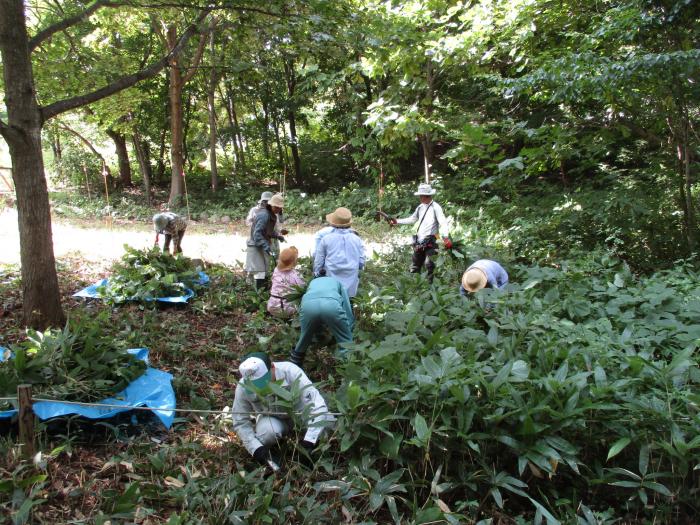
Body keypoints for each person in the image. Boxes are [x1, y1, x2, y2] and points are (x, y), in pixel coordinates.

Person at [232, 352, 333, 470]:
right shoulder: (243, 387)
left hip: (301, 416)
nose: (261, 387)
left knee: (328, 423)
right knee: (266, 433)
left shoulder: (291, 372)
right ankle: (273, 454)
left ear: (273, 367)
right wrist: (256, 450)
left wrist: (309, 442)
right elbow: (240, 421)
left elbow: (318, 405)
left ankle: (311, 447)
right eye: (255, 384)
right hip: (273, 420)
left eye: (263, 380)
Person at [390, 183, 451, 281]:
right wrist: (397, 221)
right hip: (419, 240)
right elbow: (413, 219)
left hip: (432, 240)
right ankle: (415, 286)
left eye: (421, 196)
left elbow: (443, 223)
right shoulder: (420, 207)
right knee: (415, 265)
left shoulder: (436, 207)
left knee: (430, 265)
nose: (420, 198)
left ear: (426, 196)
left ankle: (431, 287)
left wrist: (446, 237)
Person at [289, 276, 354, 367]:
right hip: (331, 305)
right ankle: (350, 370)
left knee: (304, 338)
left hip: (308, 305)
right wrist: (348, 328)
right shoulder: (337, 282)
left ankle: (293, 367)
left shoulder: (312, 282)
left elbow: (304, 304)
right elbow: (346, 305)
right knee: (346, 342)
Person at [313, 207, 365, 297]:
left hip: (330, 286)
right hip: (351, 289)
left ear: (333, 224)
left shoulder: (326, 239)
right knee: (349, 307)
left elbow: (318, 263)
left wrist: (317, 275)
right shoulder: (357, 239)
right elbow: (361, 262)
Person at [245, 193, 286, 290]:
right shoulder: (264, 215)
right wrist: (266, 245)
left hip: (262, 244)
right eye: (276, 207)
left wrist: (277, 236)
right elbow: (257, 234)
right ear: (271, 205)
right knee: (260, 272)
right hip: (255, 245)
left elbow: (268, 231)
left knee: (265, 270)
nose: (278, 209)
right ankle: (259, 296)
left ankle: (264, 292)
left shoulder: (271, 214)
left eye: (280, 208)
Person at [268, 246, 305, 317]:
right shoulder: (295, 275)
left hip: (272, 306)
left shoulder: (276, 270)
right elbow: (303, 288)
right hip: (287, 309)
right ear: (294, 261)